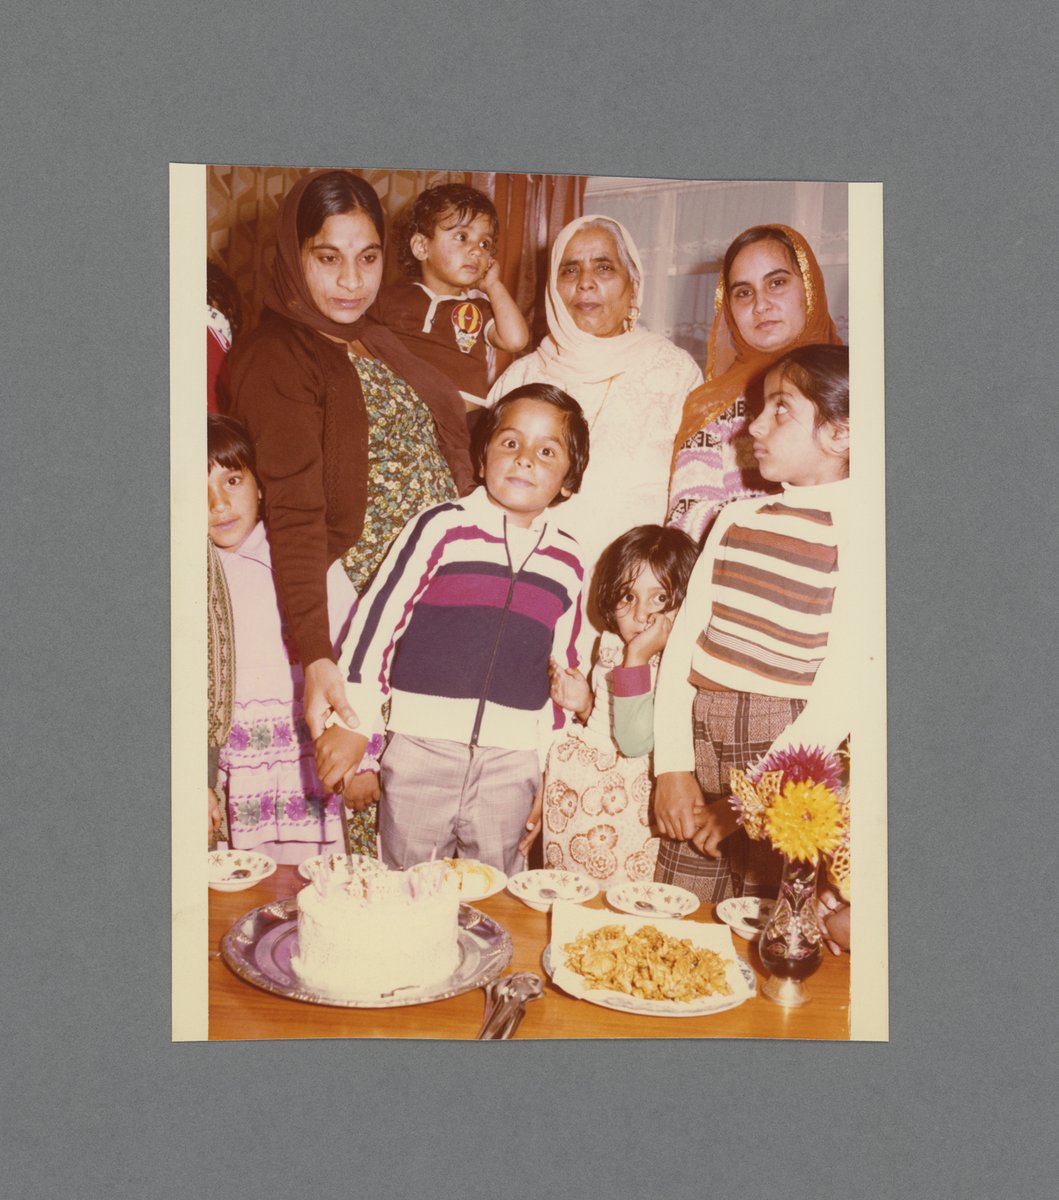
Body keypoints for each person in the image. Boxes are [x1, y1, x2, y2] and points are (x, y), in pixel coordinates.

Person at [226, 169, 475, 853]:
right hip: (364, 614)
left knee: (444, 832)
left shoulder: (376, 338)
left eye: (367, 257)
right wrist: (318, 656)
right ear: (292, 255)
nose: (350, 280)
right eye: (326, 258)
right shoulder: (276, 355)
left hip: (436, 612)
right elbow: (298, 515)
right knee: (381, 843)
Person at [314, 384, 589, 874]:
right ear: (482, 458)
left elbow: (562, 676)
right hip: (421, 746)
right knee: (407, 890)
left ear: (569, 482)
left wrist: (552, 770)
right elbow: (378, 620)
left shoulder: (568, 561)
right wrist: (353, 725)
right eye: (510, 443)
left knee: (496, 894)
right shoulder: (442, 527)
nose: (524, 459)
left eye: (547, 451)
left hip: (513, 759)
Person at [653, 344, 852, 902]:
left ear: (841, 433)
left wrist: (749, 801)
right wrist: (672, 766)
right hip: (699, 739)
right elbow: (683, 647)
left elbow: (845, 689)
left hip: (785, 760)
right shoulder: (735, 516)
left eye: (781, 409)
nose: (754, 425)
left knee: (771, 925)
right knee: (678, 914)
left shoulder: (862, 528)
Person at [487, 214, 702, 595]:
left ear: (633, 287)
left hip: (632, 593)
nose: (585, 282)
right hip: (520, 585)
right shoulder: (521, 377)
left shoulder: (675, 372)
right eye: (570, 270)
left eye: (604, 267)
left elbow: (694, 500)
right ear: (553, 287)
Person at [207, 414, 357, 864]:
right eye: (199, 489)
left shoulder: (301, 556)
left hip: (306, 766)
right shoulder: (189, 575)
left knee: (316, 888)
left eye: (232, 480)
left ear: (261, 485)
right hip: (239, 774)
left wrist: (361, 753)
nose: (217, 503)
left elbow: (353, 652)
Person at [542, 524, 698, 888]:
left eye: (660, 598)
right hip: (582, 799)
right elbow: (613, 722)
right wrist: (585, 705)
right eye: (627, 597)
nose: (641, 615)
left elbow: (635, 740)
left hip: (628, 806)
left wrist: (639, 657)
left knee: (621, 892)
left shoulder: (675, 661)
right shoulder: (611, 642)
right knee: (571, 889)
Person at [667, 224, 842, 545]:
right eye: (744, 292)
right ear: (729, 308)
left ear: (810, 287)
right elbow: (685, 519)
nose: (761, 305)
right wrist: (780, 528)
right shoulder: (710, 405)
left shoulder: (855, 386)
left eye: (776, 283)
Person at [373, 183, 529, 415]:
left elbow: (516, 341)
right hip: (404, 416)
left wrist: (493, 286)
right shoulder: (390, 297)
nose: (477, 250)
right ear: (421, 247)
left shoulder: (478, 309)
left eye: (485, 243)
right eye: (462, 236)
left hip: (465, 420)